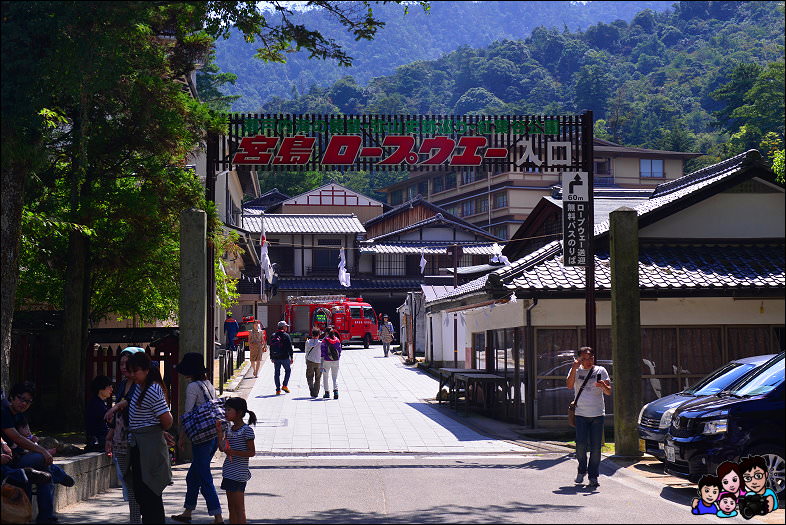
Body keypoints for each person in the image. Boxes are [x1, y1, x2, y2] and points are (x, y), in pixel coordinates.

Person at [1, 381, 75, 524]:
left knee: (44, 474)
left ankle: (47, 515)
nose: (24, 404)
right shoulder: (4, 412)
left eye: (28, 402)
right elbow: (16, 437)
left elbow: (27, 437)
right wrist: (44, 452)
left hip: (20, 459)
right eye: (21, 399)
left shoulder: (20, 416)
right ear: (12, 397)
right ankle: (47, 516)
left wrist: (38, 446)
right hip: (10, 461)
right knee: (43, 461)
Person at [119, 352, 174, 524]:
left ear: (146, 370)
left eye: (136, 371)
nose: (133, 375)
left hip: (149, 448)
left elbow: (167, 421)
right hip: (139, 446)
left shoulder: (152, 389)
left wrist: (155, 431)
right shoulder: (140, 388)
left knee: (150, 493)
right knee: (142, 492)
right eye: (130, 371)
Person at [171, 353, 224, 524]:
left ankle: (218, 516)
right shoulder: (208, 384)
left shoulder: (192, 387)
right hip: (213, 434)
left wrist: (181, 436)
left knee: (204, 476)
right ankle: (187, 512)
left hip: (201, 437)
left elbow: (187, 414)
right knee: (192, 476)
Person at [104, 346, 144, 524]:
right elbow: (117, 415)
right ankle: (134, 517)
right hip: (120, 437)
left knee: (138, 481)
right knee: (127, 479)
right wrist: (109, 437)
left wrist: (117, 406)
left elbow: (129, 404)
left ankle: (138, 517)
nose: (122, 366)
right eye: (120, 362)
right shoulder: (121, 384)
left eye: (126, 363)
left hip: (136, 437)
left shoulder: (140, 384)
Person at [565, 346, 611, 489]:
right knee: (580, 446)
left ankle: (593, 476)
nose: (588, 361)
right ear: (580, 359)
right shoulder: (576, 371)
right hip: (580, 414)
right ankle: (581, 470)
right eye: (585, 358)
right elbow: (569, 385)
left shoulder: (601, 371)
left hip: (597, 414)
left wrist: (603, 385)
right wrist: (574, 368)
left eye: (590, 357)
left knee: (596, 448)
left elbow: (609, 392)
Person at [216, 397, 256, 525]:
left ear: (239, 413)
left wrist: (234, 452)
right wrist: (219, 434)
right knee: (231, 508)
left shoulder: (246, 430)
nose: (225, 412)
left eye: (229, 410)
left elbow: (251, 452)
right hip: (228, 472)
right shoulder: (229, 429)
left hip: (239, 475)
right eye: (225, 409)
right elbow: (222, 448)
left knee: (239, 508)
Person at [84, 375, 113, 452]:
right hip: (98, 442)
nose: (111, 389)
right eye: (109, 387)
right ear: (101, 388)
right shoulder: (97, 405)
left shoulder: (98, 403)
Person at [268, 320, 294, 395]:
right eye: (286, 326)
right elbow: (290, 347)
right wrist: (291, 357)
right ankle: (285, 385)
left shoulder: (273, 335)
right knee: (288, 370)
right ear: (283, 327)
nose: (286, 328)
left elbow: (271, 347)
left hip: (276, 357)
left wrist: (271, 357)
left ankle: (278, 390)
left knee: (277, 373)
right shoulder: (286, 335)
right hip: (285, 357)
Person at [320, 329, 342, 400]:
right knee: (335, 376)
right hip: (336, 360)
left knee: (325, 376)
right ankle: (336, 391)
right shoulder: (337, 340)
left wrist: (321, 362)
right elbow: (339, 350)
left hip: (327, 360)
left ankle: (327, 392)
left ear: (327, 333)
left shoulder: (324, 341)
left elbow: (322, 352)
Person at [304, 329, 323, 398]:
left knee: (309, 376)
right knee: (318, 378)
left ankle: (311, 389)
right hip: (318, 362)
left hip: (309, 361)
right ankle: (316, 392)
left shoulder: (307, 342)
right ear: (318, 335)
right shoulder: (320, 343)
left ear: (312, 334)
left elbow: (305, 351)